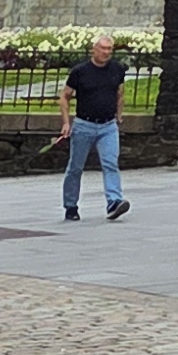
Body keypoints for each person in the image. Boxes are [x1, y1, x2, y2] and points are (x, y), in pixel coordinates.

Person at [60, 37, 130, 222]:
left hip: (108, 125)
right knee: (75, 167)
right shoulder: (80, 72)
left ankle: (114, 201)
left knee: (110, 163)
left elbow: (119, 93)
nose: (106, 52)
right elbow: (65, 96)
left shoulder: (117, 69)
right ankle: (70, 205)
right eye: (103, 48)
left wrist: (119, 114)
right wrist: (66, 123)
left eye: (110, 49)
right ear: (94, 49)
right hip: (84, 124)